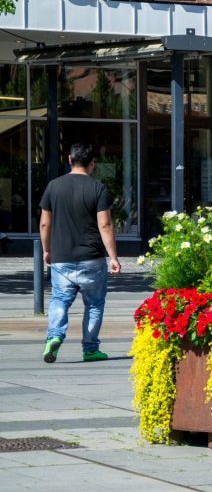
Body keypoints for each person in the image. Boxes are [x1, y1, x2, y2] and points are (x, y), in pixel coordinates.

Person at [39, 143, 121, 363]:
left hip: (61, 257)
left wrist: (47, 250)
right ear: (92, 164)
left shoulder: (53, 187)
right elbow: (105, 225)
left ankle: (54, 337)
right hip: (92, 258)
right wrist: (113, 257)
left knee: (59, 299)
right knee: (94, 304)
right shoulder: (98, 188)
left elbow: (45, 224)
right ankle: (90, 349)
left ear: (69, 159)